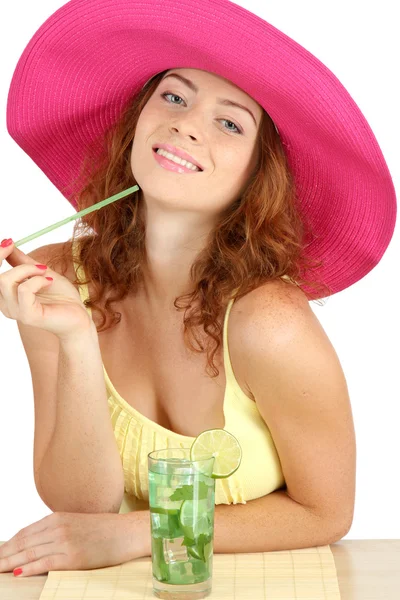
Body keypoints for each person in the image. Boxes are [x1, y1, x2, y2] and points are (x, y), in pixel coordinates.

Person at [0, 0, 396, 579]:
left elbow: (326, 512)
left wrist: (143, 530)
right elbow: (83, 511)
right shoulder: (55, 280)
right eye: (174, 97)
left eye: (230, 123)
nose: (185, 123)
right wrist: (76, 338)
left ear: (258, 175)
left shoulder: (269, 321)